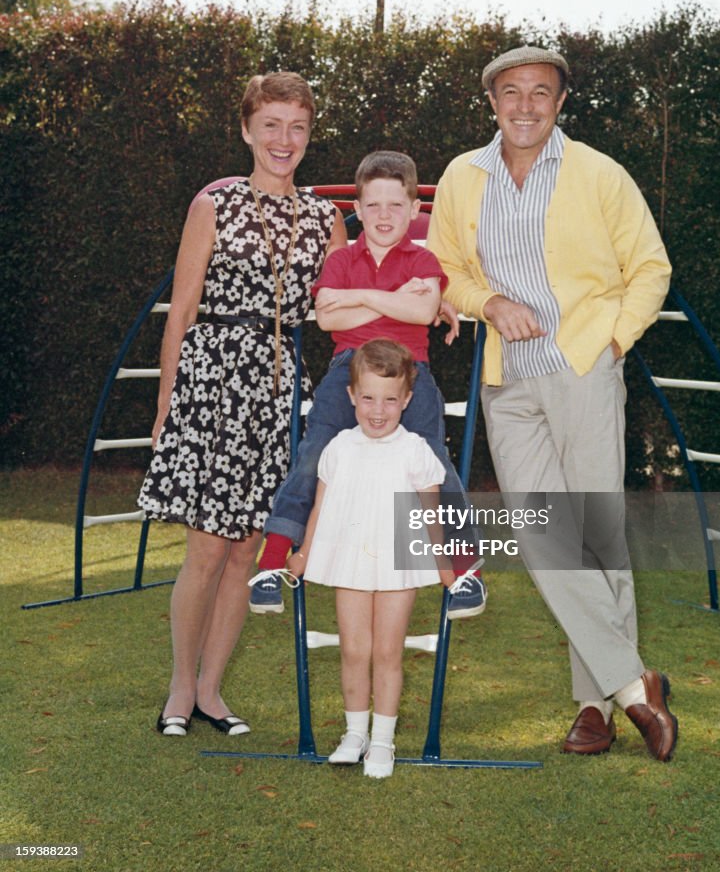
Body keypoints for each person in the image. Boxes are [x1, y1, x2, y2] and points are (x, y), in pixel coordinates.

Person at [426, 45, 678, 761]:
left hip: (582, 372)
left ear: (560, 102)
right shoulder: (461, 177)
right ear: (493, 102)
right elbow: (442, 268)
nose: (526, 104)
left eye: (541, 91)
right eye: (512, 92)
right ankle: (638, 685)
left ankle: (594, 706)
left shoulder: (599, 173)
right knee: (543, 539)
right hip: (509, 384)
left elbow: (650, 267)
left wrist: (615, 341)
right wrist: (487, 301)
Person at [139, 71, 346, 737]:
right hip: (214, 383)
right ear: (247, 130)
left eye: (298, 127)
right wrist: (166, 400)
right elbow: (183, 310)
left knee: (248, 546)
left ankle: (211, 691)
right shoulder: (215, 206)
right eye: (272, 126)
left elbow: (343, 308)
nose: (284, 140)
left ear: (309, 135)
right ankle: (177, 689)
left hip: (282, 389)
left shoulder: (325, 219)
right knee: (206, 547)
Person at [248, 149, 486, 620]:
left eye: (395, 205)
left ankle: (463, 569)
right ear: (355, 209)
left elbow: (419, 313)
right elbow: (324, 318)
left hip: (409, 371)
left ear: (414, 210)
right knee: (315, 451)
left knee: (435, 462)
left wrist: (358, 302)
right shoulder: (340, 260)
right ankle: (273, 560)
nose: (383, 215)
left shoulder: (424, 259)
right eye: (372, 205)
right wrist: (393, 300)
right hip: (348, 371)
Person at [289, 339, 455, 778]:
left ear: (406, 400)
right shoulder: (339, 448)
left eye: (388, 400)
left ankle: (383, 740)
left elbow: (431, 511)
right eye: (367, 398)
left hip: (401, 563)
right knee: (354, 649)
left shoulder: (416, 449)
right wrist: (303, 554)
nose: (377, 411)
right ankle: (354, 733)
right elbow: (320, 507)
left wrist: (443, 562)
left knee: (386, 650)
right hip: (351, 562)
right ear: (351, 397)